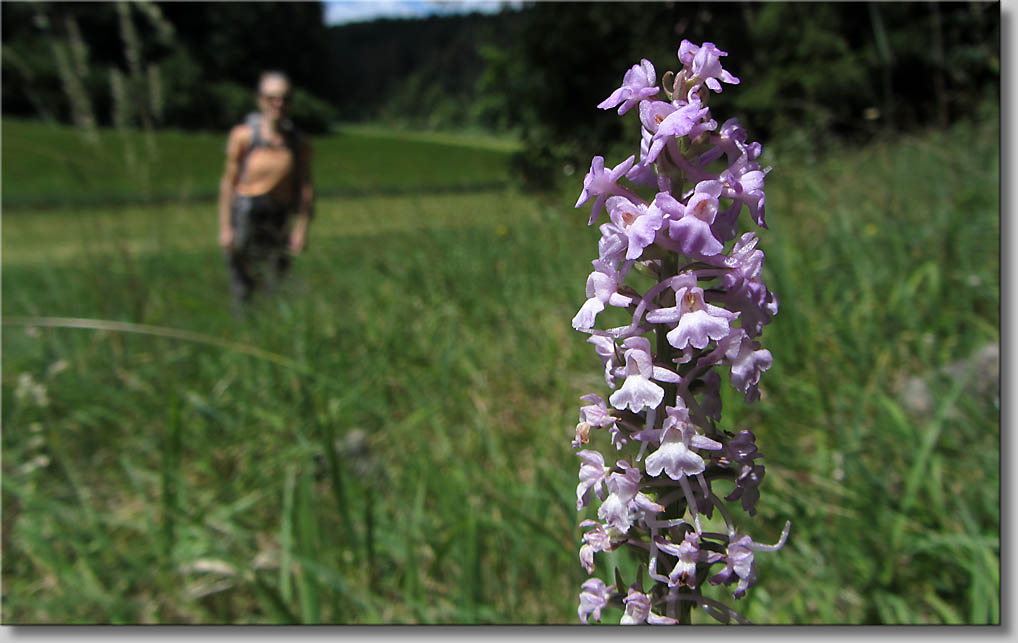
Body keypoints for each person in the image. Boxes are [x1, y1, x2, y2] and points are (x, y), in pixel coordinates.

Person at [218, 70, 313, 309]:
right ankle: (243, 332)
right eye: (271, 97)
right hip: (246, 215)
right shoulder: (243, 137)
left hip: (280, 218)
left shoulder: (298, 142)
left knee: (275, 281)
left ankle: (269, 331)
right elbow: (228, 183)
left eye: (284, 98)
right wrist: (226, 227)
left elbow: (305, 186)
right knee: (243, 282)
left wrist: (302, 229)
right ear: (260, 100)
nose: (278, 104)